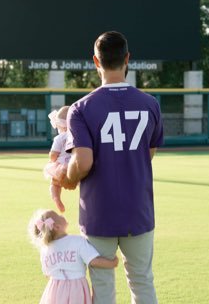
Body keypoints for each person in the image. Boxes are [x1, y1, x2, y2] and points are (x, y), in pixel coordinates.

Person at [55, 31, 164, 304]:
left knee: (103, 288)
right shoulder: (150, 104)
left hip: (98, 212)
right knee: (142, 281)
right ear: (127, 59)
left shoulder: (80, 108)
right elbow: (147, 154)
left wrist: (67, 178)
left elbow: (83, 162)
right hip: (138, 209)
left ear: (95, 61)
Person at [28, 209, 119, 304]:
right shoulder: (77, 241)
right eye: (58, 215)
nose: (61, 215)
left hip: (54, 290)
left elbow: (46, 273)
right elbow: (94, 261)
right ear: (57, 227)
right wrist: (113, 263)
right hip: (76, 288)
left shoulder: (45, 249)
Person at [43, 106, 71, 212]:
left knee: (55, 184)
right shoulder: (77, 135)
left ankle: (57, 198)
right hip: (74, 166)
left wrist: (51, 159)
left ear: (60, 125)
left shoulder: (59, 138)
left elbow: (54, 154)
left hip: (61, 167)